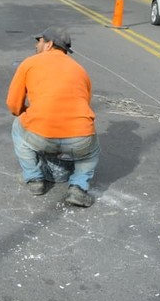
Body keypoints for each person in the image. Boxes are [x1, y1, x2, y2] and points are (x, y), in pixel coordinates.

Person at [6, 26, 100, 207]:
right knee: (91, 153)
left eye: (39, 41)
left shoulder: (30, 63)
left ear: (49, 44)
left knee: (18, 128)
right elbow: (85, 103)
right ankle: (78, 188)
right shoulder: (80, 69)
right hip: (80, 137)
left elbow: (13, 104)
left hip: (41, 132)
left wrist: (27, 115)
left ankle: (34, 179)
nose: (36, 45)